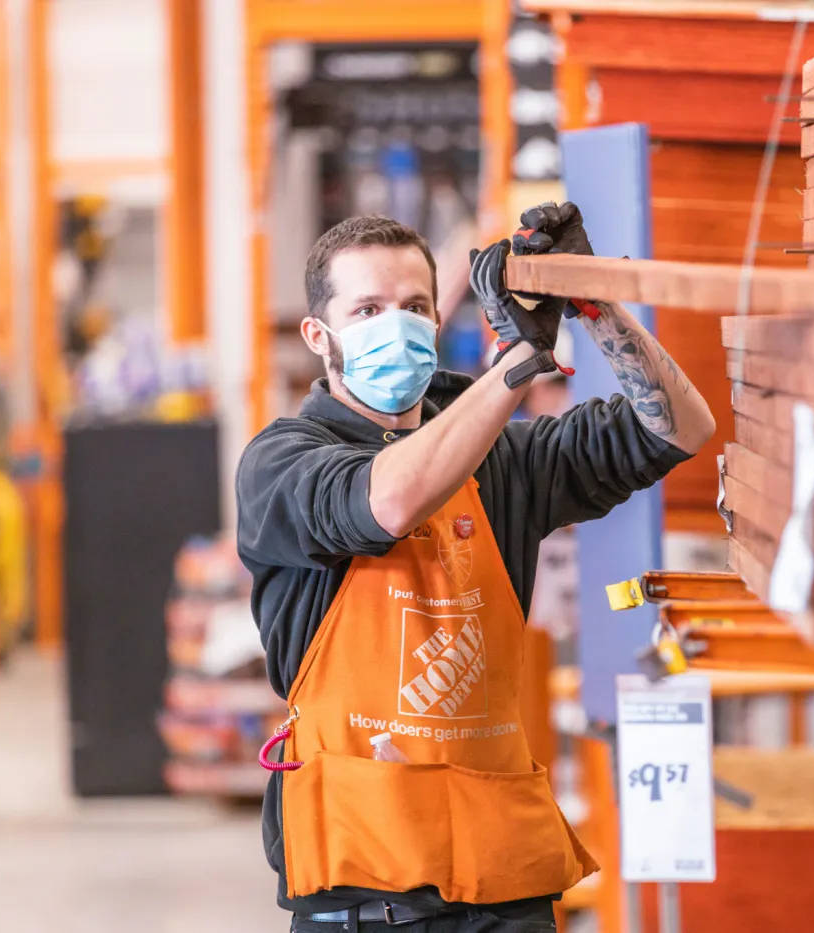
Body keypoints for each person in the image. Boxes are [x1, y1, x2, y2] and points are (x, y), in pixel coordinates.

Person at [236, 203, 714, 932]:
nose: (394, 324)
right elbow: (386, 502)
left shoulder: (503, 460)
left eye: (414, 306)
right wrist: (519, 366)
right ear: (318, 335)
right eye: (367, 309)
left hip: (504, 888)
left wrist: (592, 299)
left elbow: (681, 427)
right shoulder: (282, 463)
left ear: (436, 320)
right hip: (366, 898)